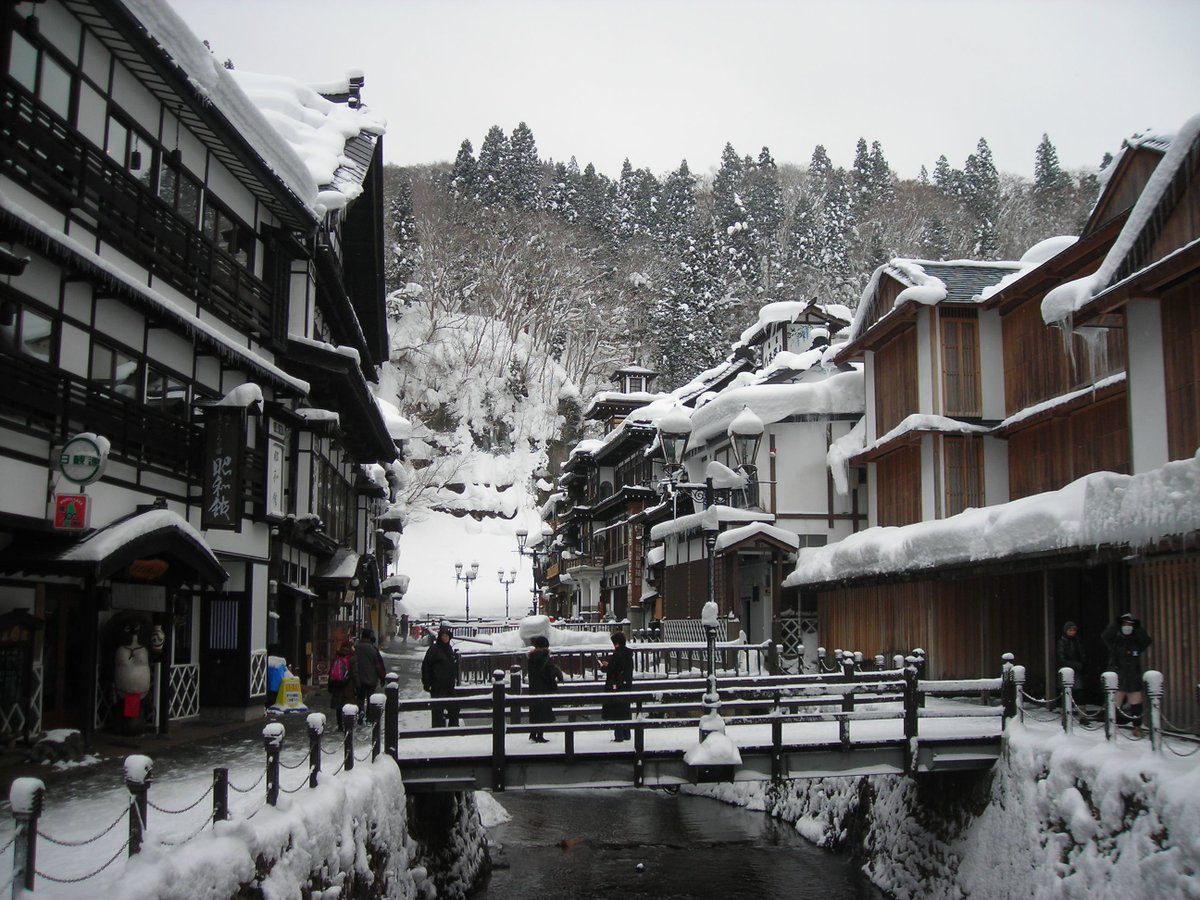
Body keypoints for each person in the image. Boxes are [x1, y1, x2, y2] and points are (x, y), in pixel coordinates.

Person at [1102, 612, 1152, 736]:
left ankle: (1136, 727)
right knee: (1114, 703)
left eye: (1130, 624)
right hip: (1118, 677)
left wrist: (1138, 627)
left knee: (1136, 703)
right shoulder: (1115, 641)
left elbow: (1146, 641)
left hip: (1133, 677)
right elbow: (1105, 636)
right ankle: (1110, 725)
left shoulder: (1135, 641)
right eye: (1125, 624)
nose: (1127, 627)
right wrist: (1116, 623)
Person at [599, 630, 634, 741]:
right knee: (625, 710)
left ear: (616, 643)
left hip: (616, 686)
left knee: (617, 712)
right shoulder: (628, 654)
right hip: (626, 685)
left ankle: (619, 736)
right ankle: (626, 734)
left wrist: (604, 666)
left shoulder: (617, 654)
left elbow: (612, 669)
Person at [421, 625, 459, 727]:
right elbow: (426, 666)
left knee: (454, 707)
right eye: (443, 636)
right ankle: (438, 730)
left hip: (449, 685)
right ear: (440, 637)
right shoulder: (434, 649)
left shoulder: (449, 648)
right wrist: (426, 682)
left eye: (447, 636)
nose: (445, 638)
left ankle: (453, 728)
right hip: (437, 685)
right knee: (438, 709)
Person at [527, 635, 562, 743]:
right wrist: (556, 672)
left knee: (535, 712)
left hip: (534, 688)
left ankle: (533, 733)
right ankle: (540, 735)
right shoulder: (545, 657)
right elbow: (548, 673)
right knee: (543, 713)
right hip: (543, 688)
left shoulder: (532, 658)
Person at [355, 628, 387, 722]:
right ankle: (369, 717)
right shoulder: (373, 649)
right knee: (370, 698)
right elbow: (378, 665)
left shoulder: (356, 647)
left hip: (359, 678)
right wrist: (382, 677)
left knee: (360, 698)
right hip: (371, 678)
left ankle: (360, 713)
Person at [328, 640, 357, 731]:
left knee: (339, 707)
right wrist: (358, 686)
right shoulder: (352, 658)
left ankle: (340, 726)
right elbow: (355, 674)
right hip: (348, 686)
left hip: (337, 686)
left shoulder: (337, 657)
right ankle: (348, 725)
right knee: (348, 706)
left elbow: (331, 673)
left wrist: (330, 687)